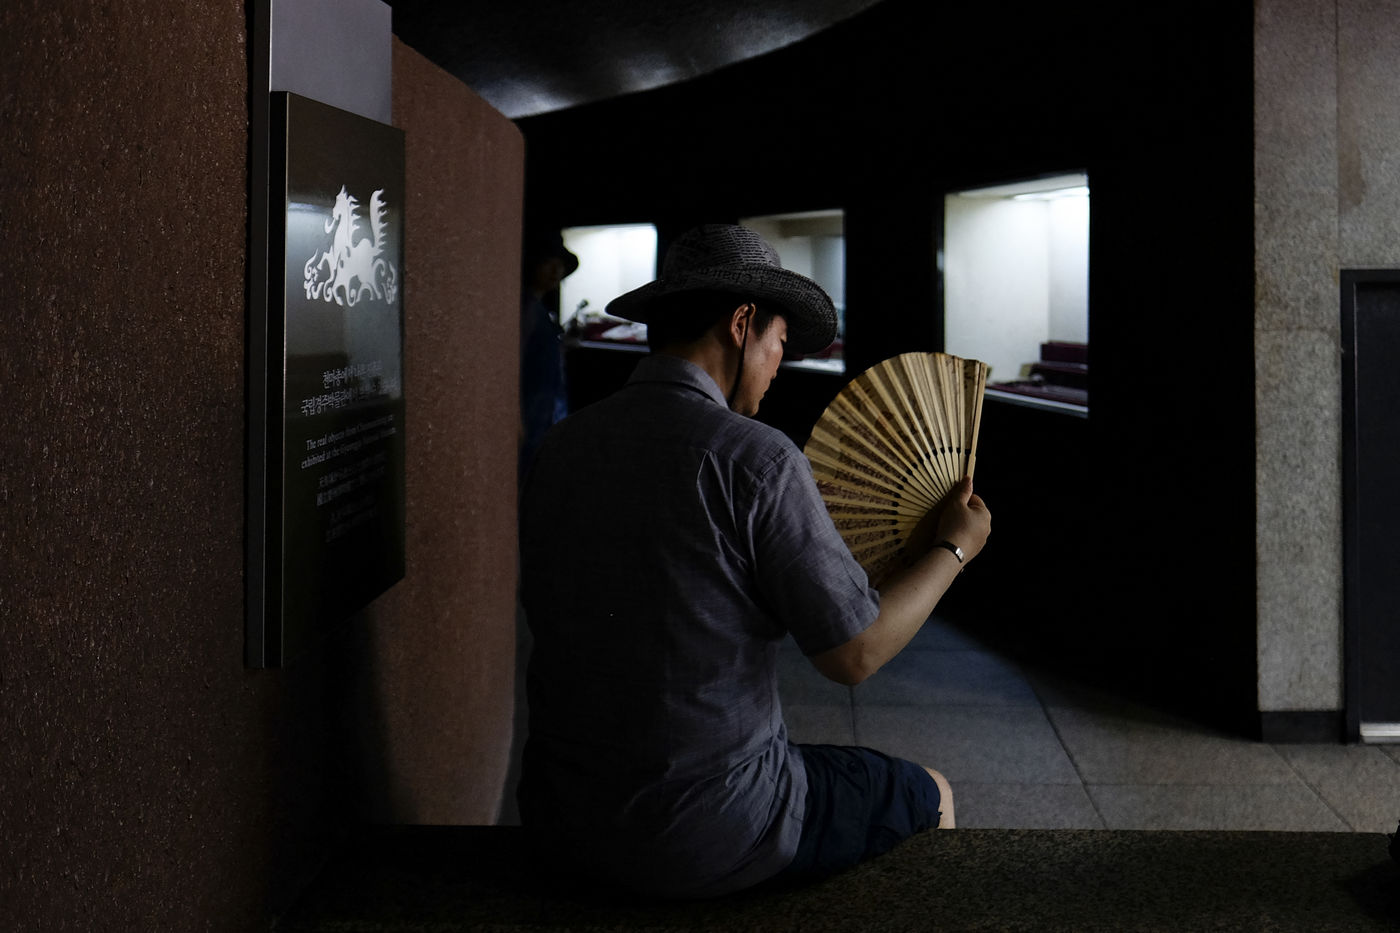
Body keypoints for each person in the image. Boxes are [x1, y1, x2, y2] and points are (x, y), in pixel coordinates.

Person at [516, 224, 991, 899]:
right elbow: (854, 655)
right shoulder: (756, 459)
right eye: (779, 343)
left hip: (560, 816)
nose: (776, 366)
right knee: (928, 791)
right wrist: (955, 547)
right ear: (742, 324)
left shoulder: (562, 447)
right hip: (710, 828)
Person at [519, 230, 579, 482]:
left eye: (559, 265)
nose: (556, 271)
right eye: (548, 263)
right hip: (531, 411)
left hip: (544, 411)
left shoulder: (538, 309)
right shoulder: (525, 308)